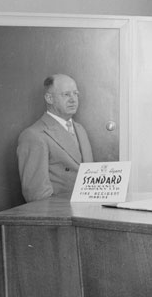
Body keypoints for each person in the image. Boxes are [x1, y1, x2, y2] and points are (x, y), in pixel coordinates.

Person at [16, 73, 94, 202]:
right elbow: (36, 195)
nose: (73, 99)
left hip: (87, 208)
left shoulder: (80, 129)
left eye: (75, 94)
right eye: (66, 94)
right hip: (61, 211)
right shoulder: (34, 135)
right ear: (49, 98)